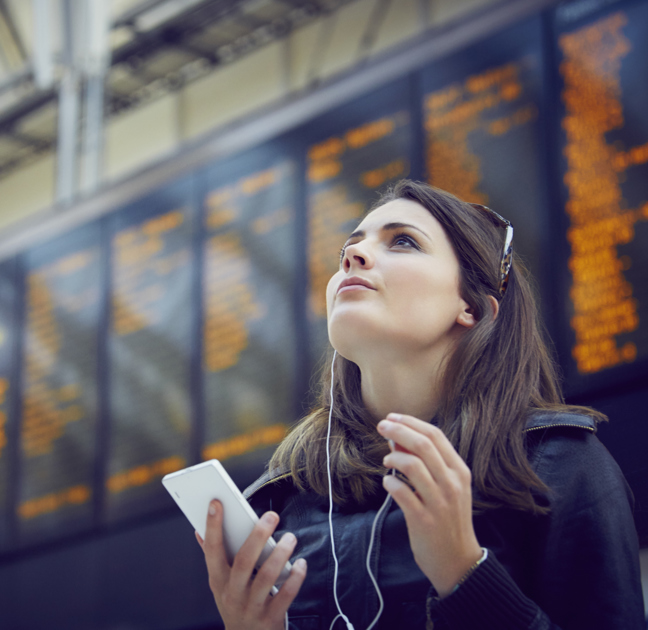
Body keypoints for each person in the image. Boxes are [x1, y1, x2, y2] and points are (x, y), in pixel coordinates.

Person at [195, 180, 644, 629]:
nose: (353, 257)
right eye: (347, 251)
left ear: (472, 307)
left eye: (404, 242)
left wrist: (465, 573)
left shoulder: (559, 465)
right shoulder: (283, 501)